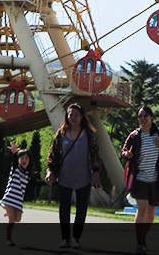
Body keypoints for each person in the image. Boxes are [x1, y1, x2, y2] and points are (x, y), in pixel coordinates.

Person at [121, 106, 159, 255]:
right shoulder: (135, 135)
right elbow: (123, 151)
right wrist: (128, 154)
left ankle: (143, 238)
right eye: (140, 116)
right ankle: (139, 242)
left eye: (145, 115)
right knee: (142, 208)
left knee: (152, 210)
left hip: (156, 179)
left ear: (151, 117)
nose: (143, 118)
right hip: (139, 178)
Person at [46, 103, 102, 248]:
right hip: (64, 177)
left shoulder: (89, 134)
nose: (73, 117)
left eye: (76, 115)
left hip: (84, 178)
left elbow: (96, 154)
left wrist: (96, 172)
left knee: (81, 210)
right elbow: (52, 154)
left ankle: (76, 238)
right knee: (64, 209)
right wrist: (50, 171)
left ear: (82, 116)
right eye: (70, 114)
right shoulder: (61, 133)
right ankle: (65, 239)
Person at [0, 142, 36, 247]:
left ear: (29, 161)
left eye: (26, 158)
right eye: (22, 158)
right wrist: (14, 153)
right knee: (12, 220)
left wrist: (51, 181)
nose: (24, 160)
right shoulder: (15, 169)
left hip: (18, 200)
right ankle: (8, 239)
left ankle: (9, 212)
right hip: (10, 198)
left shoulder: (28, 174)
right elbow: (14, 161)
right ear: (19, 160)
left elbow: (35, 183)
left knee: (18, 219)